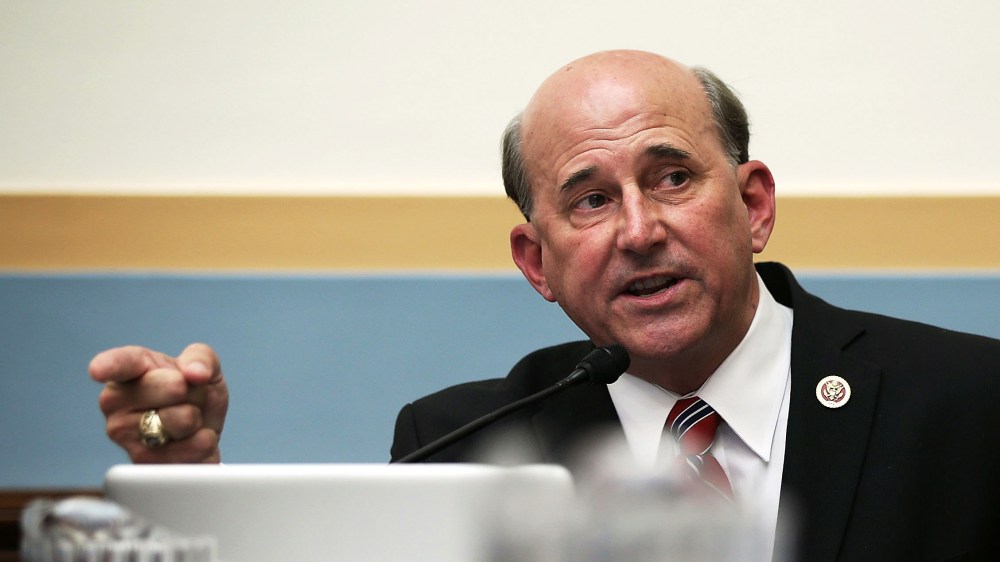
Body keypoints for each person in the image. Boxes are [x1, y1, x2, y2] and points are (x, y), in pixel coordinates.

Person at [91, 50, 999, 560]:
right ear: (539, 262)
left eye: (672, 177)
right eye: (591, 200)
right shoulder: (463, 446)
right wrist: (181, 486)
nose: (640, 231)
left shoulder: (964, 401)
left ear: (753, 205)